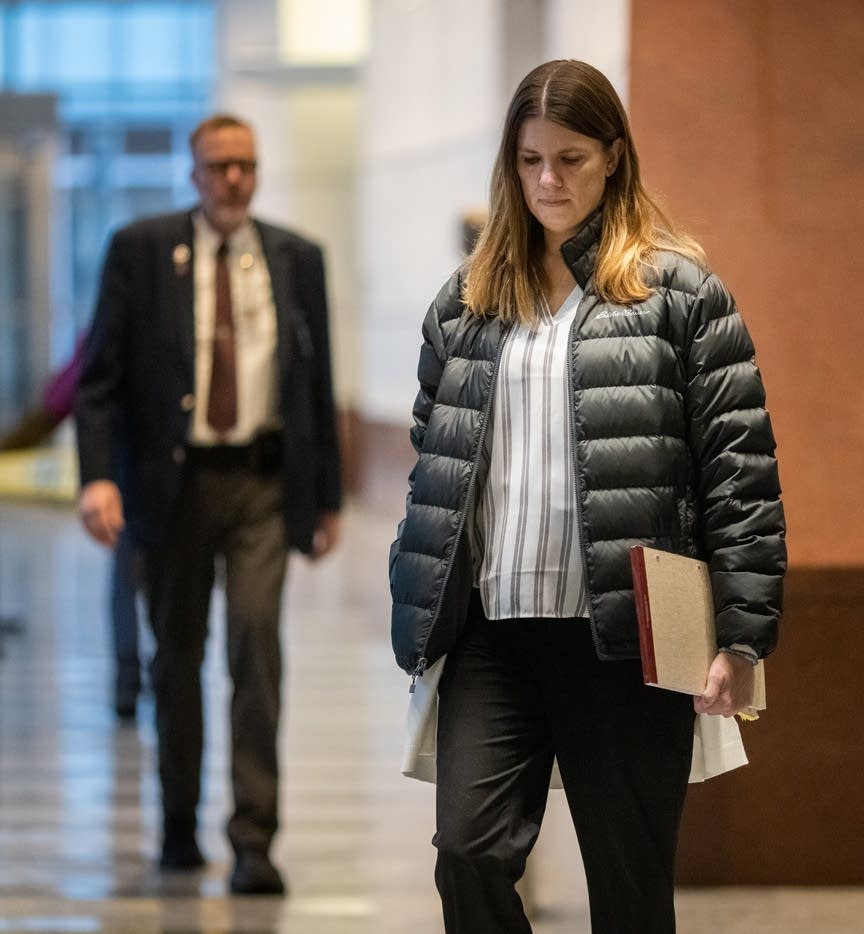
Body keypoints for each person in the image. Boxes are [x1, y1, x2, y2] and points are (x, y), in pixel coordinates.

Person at [388, 59, 785, 933]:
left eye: (569, 159)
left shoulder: (679, 294)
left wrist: (745, 636)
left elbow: (740, 471)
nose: (548, 180)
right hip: (494, 635)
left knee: (630, 884)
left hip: (630, 639)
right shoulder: (466, 302)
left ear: (612, 157)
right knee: (468, 853)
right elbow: (435, 457)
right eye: (530, 160)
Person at [74, 113, 343, 895]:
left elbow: (315, 384)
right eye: (218, 165)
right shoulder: (142, 251)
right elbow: (100, 380)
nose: (233, 179)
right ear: (192, 173)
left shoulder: (296, 258)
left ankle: (254, 841)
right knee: (177, 658)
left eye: (246, 165)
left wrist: (325, 497)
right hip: (173, 488)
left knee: (256, 650)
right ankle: (179, 826)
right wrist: (99, 478)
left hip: (261, 484)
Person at [1, 338, 145, 719]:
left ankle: (131, 681)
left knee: (128, 578)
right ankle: (139, 680)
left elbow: (59, 399)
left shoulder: (109, 321)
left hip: (133, 468)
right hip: (138, 472)